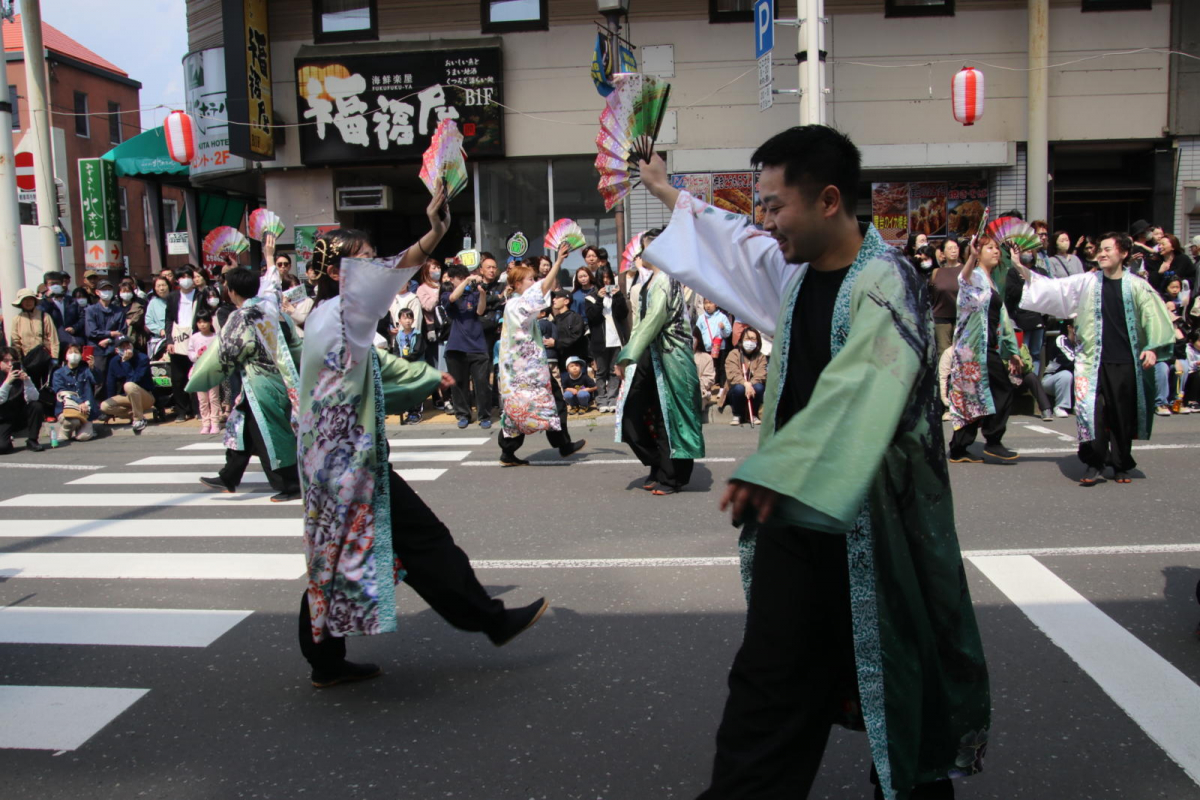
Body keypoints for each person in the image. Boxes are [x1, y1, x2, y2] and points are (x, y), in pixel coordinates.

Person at [638, 126, 989, 800]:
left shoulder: (887, 282)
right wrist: (664, 189)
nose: (766, 222)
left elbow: (865, 385)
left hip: (876, 531)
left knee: (899, 688)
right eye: (762, 207)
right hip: (795, 522)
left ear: (829, 200)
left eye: (776, 206)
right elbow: (733, 242)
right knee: (767, 690)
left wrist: (780, 467)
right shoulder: (795, 272)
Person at [295, 189, 548, 688]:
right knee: (424, 543)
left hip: (331, 465)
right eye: (365, 262)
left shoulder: (327, 316)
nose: (377, 268)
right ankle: (489, 619)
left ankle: (325, 661)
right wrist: (434, 232)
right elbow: (400, 267)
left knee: (336, 553)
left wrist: (427, 378)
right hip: (352, 469)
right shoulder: (346, 311)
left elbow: (376, 369)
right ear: (338, 273)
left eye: (375, 259)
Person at [1016, 232, 1175, 484]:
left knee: (1121, 414)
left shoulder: (1137, 285)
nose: (1102, 253)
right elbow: (1053, 288)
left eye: (1108, 249)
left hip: (1125, 361)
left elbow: (1153, 316)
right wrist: (1020, 266)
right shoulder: (1087, 282)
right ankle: (1094, 463)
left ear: (1123, 253)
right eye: (1100, 249)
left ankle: (1121, 464)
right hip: (1091, 361)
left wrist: (1152, 347)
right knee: (1091, 412)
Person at [188, 247, 302, 502]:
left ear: (231, 291)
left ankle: (290, 483)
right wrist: (269, 256)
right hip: (279, 378)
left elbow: (228, 351)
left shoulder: (241, 317)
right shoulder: (270, 307)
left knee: (269, 432)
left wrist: (203, 372)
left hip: (261, 384)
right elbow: (272, 284)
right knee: (241, 426)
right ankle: (229, 476)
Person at [614, 229, 705, 496]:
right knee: (633, 414)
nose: (642, 254)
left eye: (647, 248)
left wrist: (626, 356)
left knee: (671, 417)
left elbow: (653, 321)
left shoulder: (666, 279)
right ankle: (658, 463)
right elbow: (639, 324)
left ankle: (672, 476)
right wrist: (629, 354)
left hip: (670, 355)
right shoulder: (648, 281)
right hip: (648, 354)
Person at [496, 247, 586, 465]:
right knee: (545, 403)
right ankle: (562, 445)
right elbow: (543, 288)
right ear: (518, 284)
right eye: (529, 279)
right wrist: (558, 262)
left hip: (521, 369)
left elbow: (541, 290)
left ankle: (510, 451)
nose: (534, 282)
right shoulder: (518, 303)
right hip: (527, 370)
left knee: (521, 408)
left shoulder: (513, 304)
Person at [947, 236, 1023, 464]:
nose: (996, 251)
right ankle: (993, 440)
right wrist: (970, 258)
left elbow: (1004, 319)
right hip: (972, 349)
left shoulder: (992, 281)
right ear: (978, 253)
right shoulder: (974, 276)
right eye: (989, 248)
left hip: (985, 346)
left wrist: (1012, 350)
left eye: (997, 248)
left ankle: (959, 448)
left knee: (971, 398)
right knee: (1001, 389)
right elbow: (962, 278)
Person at [441, 264, 492, 429]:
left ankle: (484, 415)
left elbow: (480, 311)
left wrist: (482, 293)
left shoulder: (473, 294)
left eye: (465, 277)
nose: (464, 280)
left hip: (477, 345)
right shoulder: (447, 294)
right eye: (460, 278)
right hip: (456, 346)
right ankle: (463, 414)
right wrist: (468, 280)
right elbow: (452, 298)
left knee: (482, 383)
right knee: (459, 384)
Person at [583, 268, 628, 413]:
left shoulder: (616, 295)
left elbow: (623, 314)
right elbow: (593, 317)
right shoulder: (590, 297)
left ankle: (613, 398)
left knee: (614, 371)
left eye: (609, 278)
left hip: (616, 338)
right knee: (601, 372)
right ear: (598, 279)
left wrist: (618, 296)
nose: (606, 281)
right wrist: (599, 299)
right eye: (603, 278)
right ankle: (601, 399)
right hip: (600, 340)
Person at [165, 266, 202, 421]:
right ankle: (182, 410)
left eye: (188, 276)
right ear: (177, 280)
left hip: (195, 339)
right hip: (178, 339)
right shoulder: (173, 297)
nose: (185, 280)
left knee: (196, 375)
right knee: (178, 378)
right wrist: (169, 340)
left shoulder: (200, 295)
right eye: (182, 277)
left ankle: (198, 409)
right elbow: (168, 319)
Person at [99, 336, 156, 433]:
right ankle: (133, 415)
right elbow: (111, 383)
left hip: (145, 396)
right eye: (123, 346)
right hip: (127, 397)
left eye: (128, 345)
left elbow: (134, 379)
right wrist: (110, 408)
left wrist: (126, 362)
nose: (126, 348)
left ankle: (139, 419)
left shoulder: (142, 358)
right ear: (117, 350)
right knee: (104, 406)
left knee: (129, 385)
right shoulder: (114, 361)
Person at [84, 279, 127, 402]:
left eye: (109, 289)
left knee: (117, 378)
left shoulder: (119, 311)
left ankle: (117, 403)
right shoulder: (91, 310)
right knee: (99, 379)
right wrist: (110, 333)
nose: (107, 292)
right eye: (104, 290)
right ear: (97, 292)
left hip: (114, 349)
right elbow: (91, 332)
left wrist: (108, 340)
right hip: (97, 350)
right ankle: (98, 405)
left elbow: (122, 332)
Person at [9, 287, 59, 390]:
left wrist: (55, 357)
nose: (28, 302)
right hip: (28, 361)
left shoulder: (45, 316)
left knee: (47, 388)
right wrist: (18, 361)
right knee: (31, 389)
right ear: (21, 303)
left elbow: (53, 338)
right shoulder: (17, 320)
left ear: (35, 301)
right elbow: (16, 342)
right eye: (25, 300)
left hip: (45, 358)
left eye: (30, 299)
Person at [50, 343, 99, 442]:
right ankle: (65, 432)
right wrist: (79, 402)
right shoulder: (58, 373)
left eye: (76, 352)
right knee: (72, 421)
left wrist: (93, 368)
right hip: (67, 410)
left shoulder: (86, 370)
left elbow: (98, 381)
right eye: (70, 352)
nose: (73, 354)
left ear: (81, 355)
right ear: (65, 356)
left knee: (83, 437)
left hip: (86, 411)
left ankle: (84, 429)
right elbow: (61, 392)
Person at [0, 347, 45, 453]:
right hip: (3, 418)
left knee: (36, 406)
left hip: (19, 415)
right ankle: (7, 441)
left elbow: (34, 398)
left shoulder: (21, 374)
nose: (10, 364)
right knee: (3, 447)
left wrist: (27, 381)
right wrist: (7, 382)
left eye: (13, 361)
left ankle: (32, 440)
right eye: (6, 361)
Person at [724, 327, 767, 426]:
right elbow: (732, 374)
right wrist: (745, 384)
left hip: (753, 387)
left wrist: (750, 384)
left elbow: (761, 374)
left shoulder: (761, 357)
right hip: (736, 388)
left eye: (753, 339)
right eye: (747, 338)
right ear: (742, 340)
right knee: (739, 389)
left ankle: (753, 414)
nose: (750, 342)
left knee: (759, 387)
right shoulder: (733, 354)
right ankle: (737, 414)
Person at [188, 311, 221, 434]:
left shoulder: (215, 337)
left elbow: (220, 352)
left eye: (205, 321)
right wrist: (196, 355)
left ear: (210, 322)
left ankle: (215, 422)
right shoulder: (194, 337)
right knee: (202, 399)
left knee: (214, 398)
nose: (202, 325)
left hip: (213, 371)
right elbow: (190, 352)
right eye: (199, 322)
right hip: (199, 370)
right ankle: (206, 423)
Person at [929, 245, 964, 362]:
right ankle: (943, 374)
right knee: (943, 353)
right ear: (943, 253)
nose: (953, 250)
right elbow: (931, 292)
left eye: (956, 247)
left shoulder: (966, 270)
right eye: (949, 248)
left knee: (962, 352)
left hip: (961, 317)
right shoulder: (937, 272)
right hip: (941, 317)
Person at [40, 272, 84, 358]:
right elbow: (41, 317)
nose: (55, 286)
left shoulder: (72, 301)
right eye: (52, 284)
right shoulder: (42, 303)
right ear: (46, 286)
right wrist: (48, 300)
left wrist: (75, 328)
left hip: (72, 342)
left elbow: (82, 317)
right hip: (53, 343)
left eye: (57, 283)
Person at [1041, 321, 1077, 418]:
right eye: (1076, 327)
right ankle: (1060, 406)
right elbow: (1071, 360)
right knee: (1066, 374)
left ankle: (1078, 406)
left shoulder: (1082, 343)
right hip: (1051, 379)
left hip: (1072, 382)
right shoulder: (1061, 340)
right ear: (1069, 328)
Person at [697, 299, 733, 387]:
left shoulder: (722, 317)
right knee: (708, 368)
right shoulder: (701, 318)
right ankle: (707, 387)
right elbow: (697, 332)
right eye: (705, 303)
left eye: (710, 303)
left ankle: (722, 387)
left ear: (716, 304)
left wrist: (723, 328)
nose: (708, 305)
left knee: (721, 368)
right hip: (707, 348)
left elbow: (728, 333)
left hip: (720, 348)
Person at [550, 289, 587, 367]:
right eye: (554, 298)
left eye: (557, 297)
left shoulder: (575, 317)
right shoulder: (555, 319)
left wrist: (556, 343)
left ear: (566, 301)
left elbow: (576, 336)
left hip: (575, 361)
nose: (554, 300)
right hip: (559, 360)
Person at [118, 278, 147, 352]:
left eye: (128, 291)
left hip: (136, 338)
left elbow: (138, 319)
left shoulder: (139, 305)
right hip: (119, 337)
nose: (126, 293)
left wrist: (131, 321)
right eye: (123, 291)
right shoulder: (116, 306)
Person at [145, 276, 171, 356]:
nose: (161, 288)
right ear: (155, 289)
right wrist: (160, 330)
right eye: (158, 286)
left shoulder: (176, 299)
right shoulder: (153, 303)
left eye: (163, 285)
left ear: (168, 286)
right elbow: (149, 322)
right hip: (159, 340)